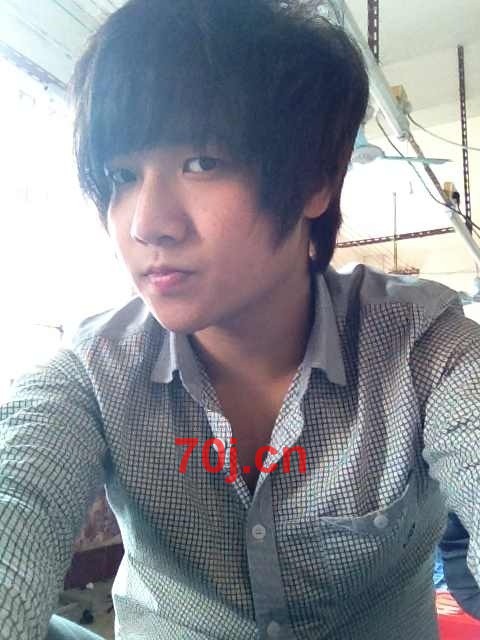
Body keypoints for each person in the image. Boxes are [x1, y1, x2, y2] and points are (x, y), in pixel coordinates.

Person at [0, 1, 479, 638]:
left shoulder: (425, 348)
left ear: (315, 180)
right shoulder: (91, 374)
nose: (147, 224)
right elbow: (17, 498)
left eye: (202, 163)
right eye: (121, 175)